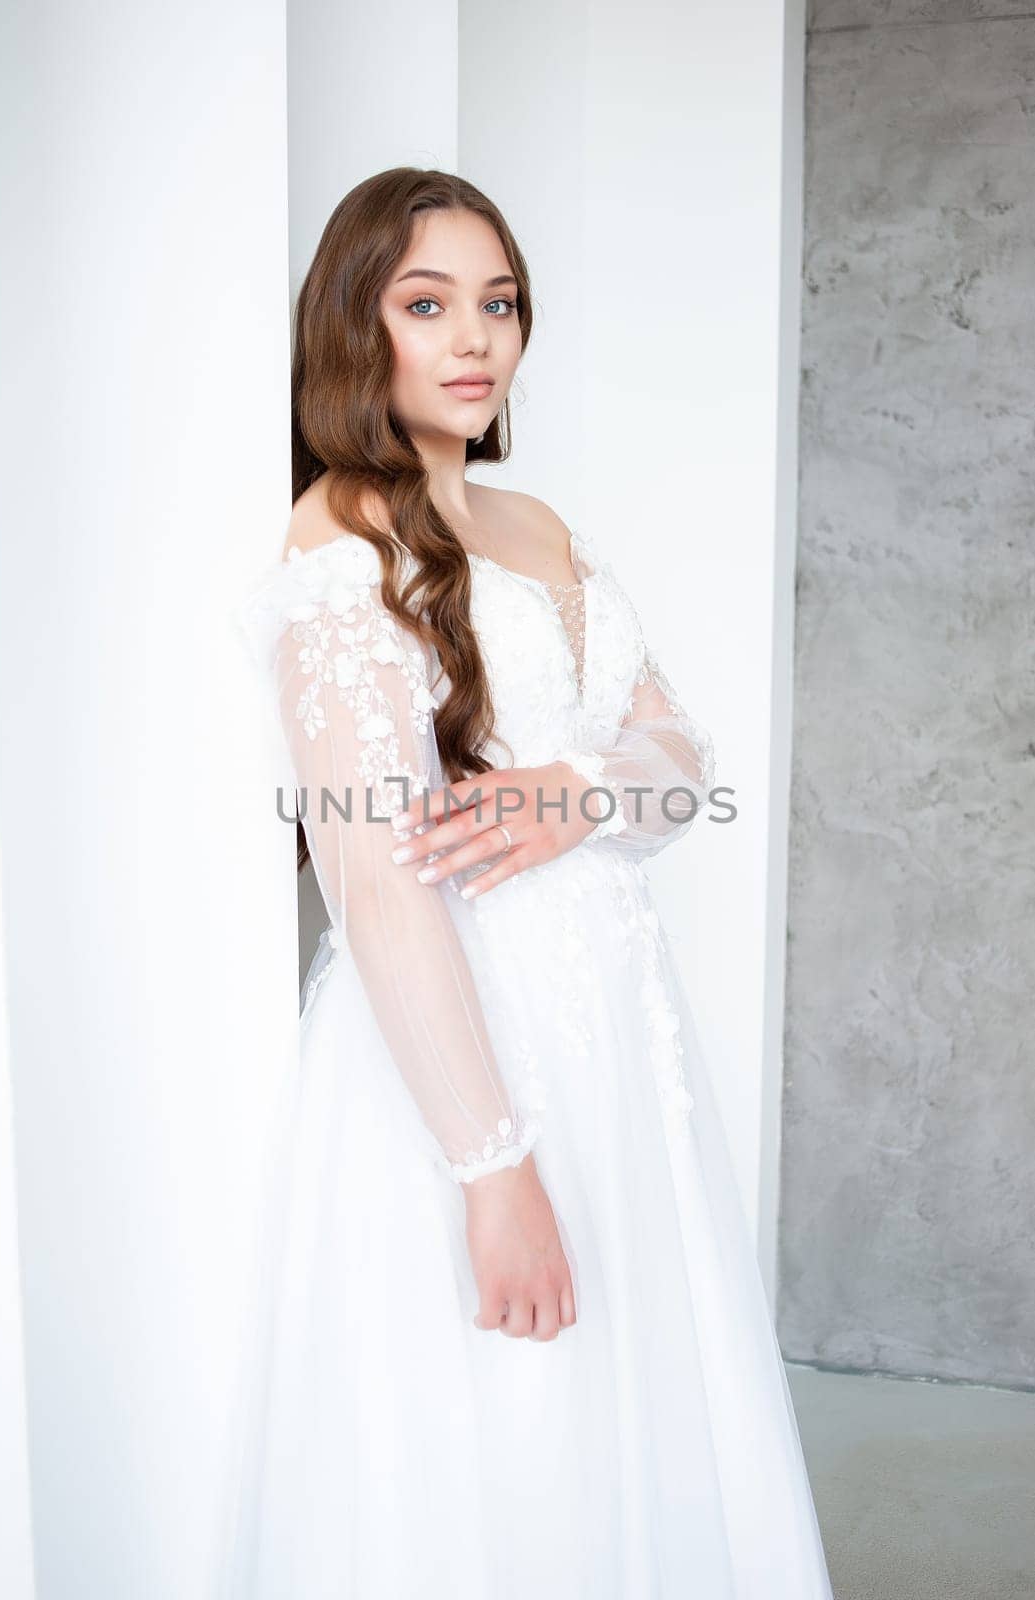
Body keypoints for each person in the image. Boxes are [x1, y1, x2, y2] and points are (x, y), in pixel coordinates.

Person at [215, 167, 835, 1598]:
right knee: (501, 1417)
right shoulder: (339, 538)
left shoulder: (539, 526)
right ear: (351, 328)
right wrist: (491, 1172)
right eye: (425, 303)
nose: (474, 337)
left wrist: (584, 791)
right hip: (465, 1051)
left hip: (617, 1035)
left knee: (631, 1384)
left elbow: (678, 759)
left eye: (496, 302)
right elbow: (373, 885)